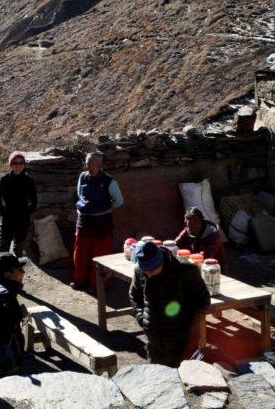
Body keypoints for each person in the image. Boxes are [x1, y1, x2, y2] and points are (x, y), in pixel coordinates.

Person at [129, 240, 211, 367]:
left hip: (183, 344)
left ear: (161, 262)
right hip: (155, 344)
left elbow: (203, 300)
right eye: (146, 272)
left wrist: (190, 325)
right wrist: (141, 317)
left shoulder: (185, 270)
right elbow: (134, 295)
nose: (149, 275)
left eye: (152, 270)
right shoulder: (140, 271)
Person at [71, 151, 124, 290]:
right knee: (80, 253)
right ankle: (79, 280)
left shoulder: (109, 181)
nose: (88, 166)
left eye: (91, 164)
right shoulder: (83, 177)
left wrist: (104, 209)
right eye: (87, 163)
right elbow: (79, 194)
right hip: (83, 222)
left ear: (99, 165)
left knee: (100, 255)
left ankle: (97, 285)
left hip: (102, 224)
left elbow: (119, 201)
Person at [0, 252, 30, 375]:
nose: (23, 273)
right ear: (8, 275)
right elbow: (4, 326)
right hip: (4, 352)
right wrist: (21, 314)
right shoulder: (5, 294)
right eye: (20, 270)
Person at [0, 151, 38, 257]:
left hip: (22, 218)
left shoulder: (28, 181)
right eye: (15, 163)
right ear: (11, 165)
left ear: (24, 164)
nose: (18, 165)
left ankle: (16, 271)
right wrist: (4, 213)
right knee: (3, 249)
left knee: (19, 248)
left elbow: (34, 200)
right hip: (8, 218)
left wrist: (26, 213)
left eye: (21, 163)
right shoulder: (4, 180)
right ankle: (2, 271)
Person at [174, 207, 228, 273]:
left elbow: (205, 256)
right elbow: (175, 244)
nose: (193, 225)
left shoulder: (213, 235)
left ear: (202, 222)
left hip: (214, 270)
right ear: (186, 223)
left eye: (196, 221)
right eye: (190, 223)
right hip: (195, 266)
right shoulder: (187, 231)